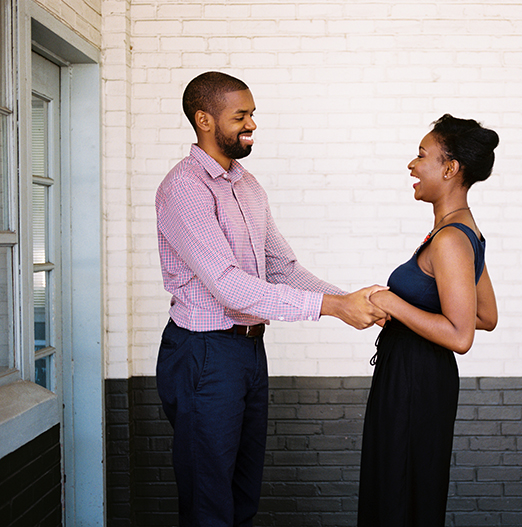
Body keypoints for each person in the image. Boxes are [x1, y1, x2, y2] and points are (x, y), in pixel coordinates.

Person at [155, 71, 387, 527]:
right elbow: (228, 285)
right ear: (204, 119)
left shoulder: (246, 184)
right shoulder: (184, 189)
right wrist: (334, 308)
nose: (252, 124)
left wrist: (351, 300)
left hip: (247, 352)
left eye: (253, 114)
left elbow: (282, 268)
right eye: (240, 115)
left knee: (242, 495)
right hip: (204, 354)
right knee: (209, 503)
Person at [357, 115, 499, 527]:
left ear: (450, 169)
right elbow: (486, 314)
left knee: (399, 493)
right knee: (404, 486)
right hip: (416, 375)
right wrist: (405, 316)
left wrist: (392, 302)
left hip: (414, 380)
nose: (412, 166)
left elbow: (462, 334)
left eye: (422, 156)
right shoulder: (459, 233)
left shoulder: (452, 239)